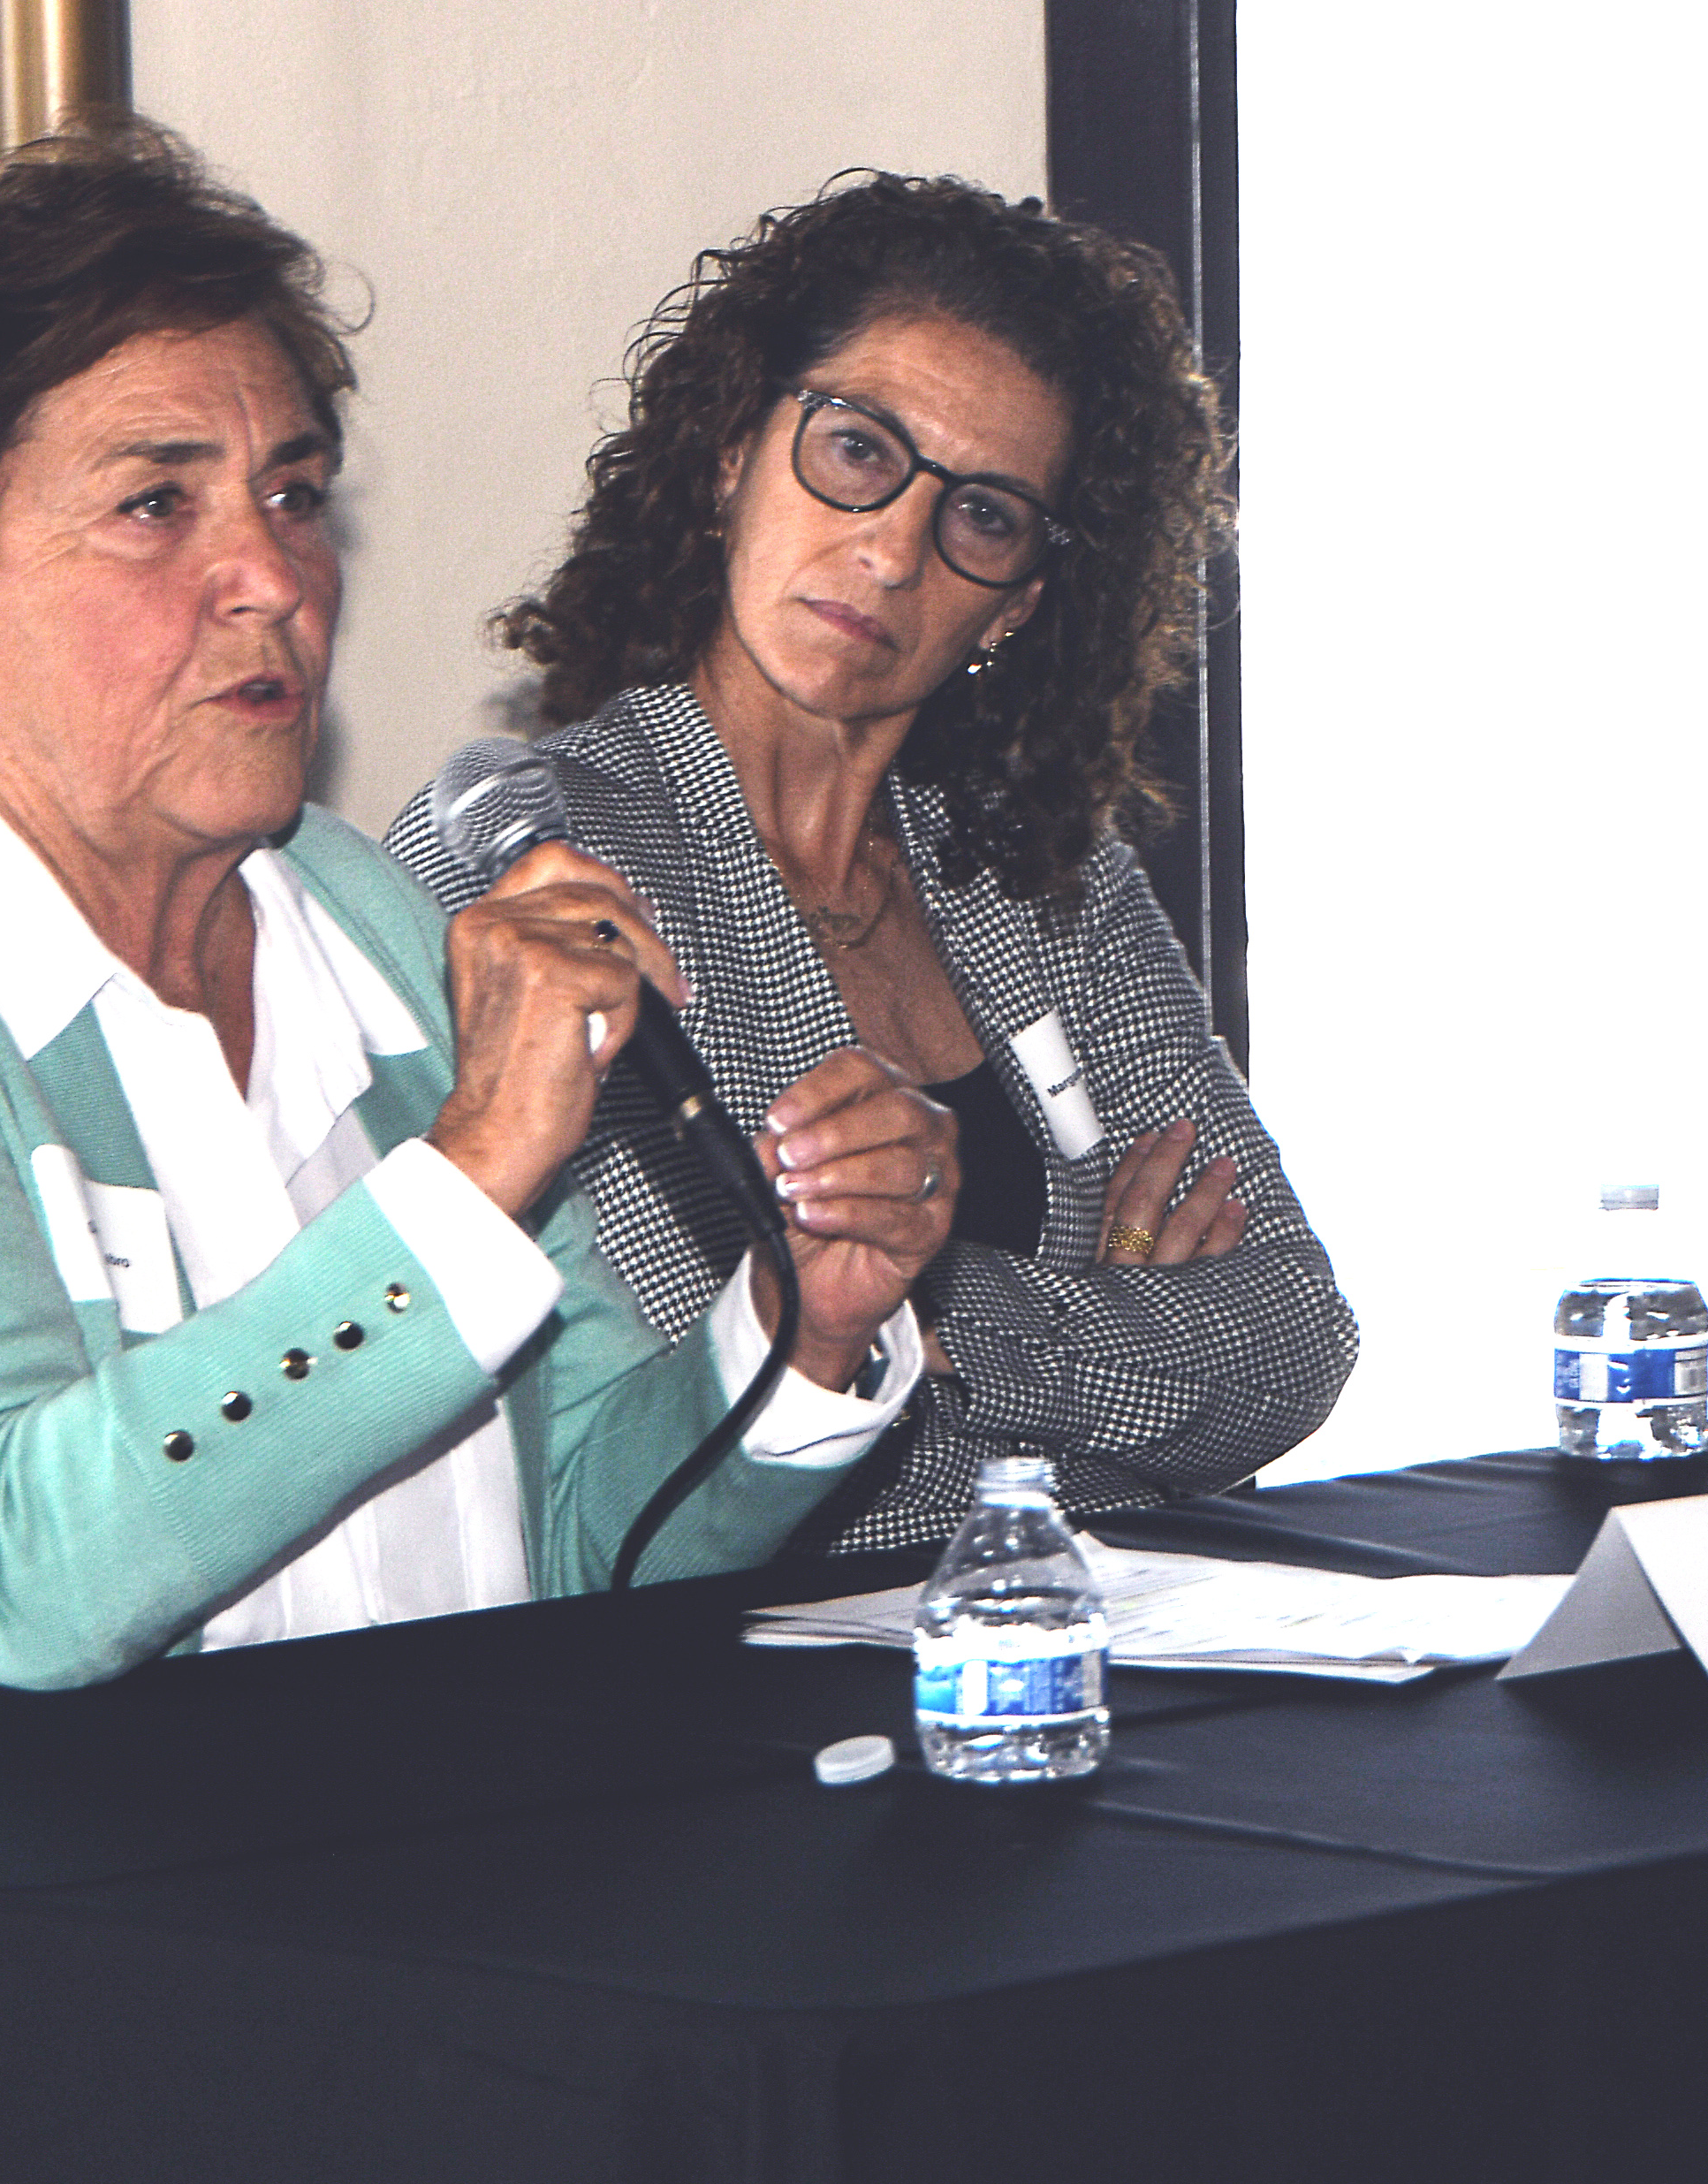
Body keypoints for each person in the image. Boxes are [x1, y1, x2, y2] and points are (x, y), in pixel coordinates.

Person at [0, 124, 938, 1767]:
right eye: (156, 505)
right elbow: (8, 1569)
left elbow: (568, 1552)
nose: (271, 578)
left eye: (292, 494)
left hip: (270, 1914)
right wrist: (470, 1170)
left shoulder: (366, 924)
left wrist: (800, 1334)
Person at [391, 172, 1354, 1556]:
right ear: (732, 446)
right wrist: (1101, 1322)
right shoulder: (544, 864)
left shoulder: (1041, 878)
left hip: (1100, 1654)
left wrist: (924, 1312)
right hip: (744, 1683)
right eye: (857, 452)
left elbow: (1291, 1342)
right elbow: (702, 1410)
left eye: (983, 515)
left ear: (1019, 603)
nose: (894, 550)